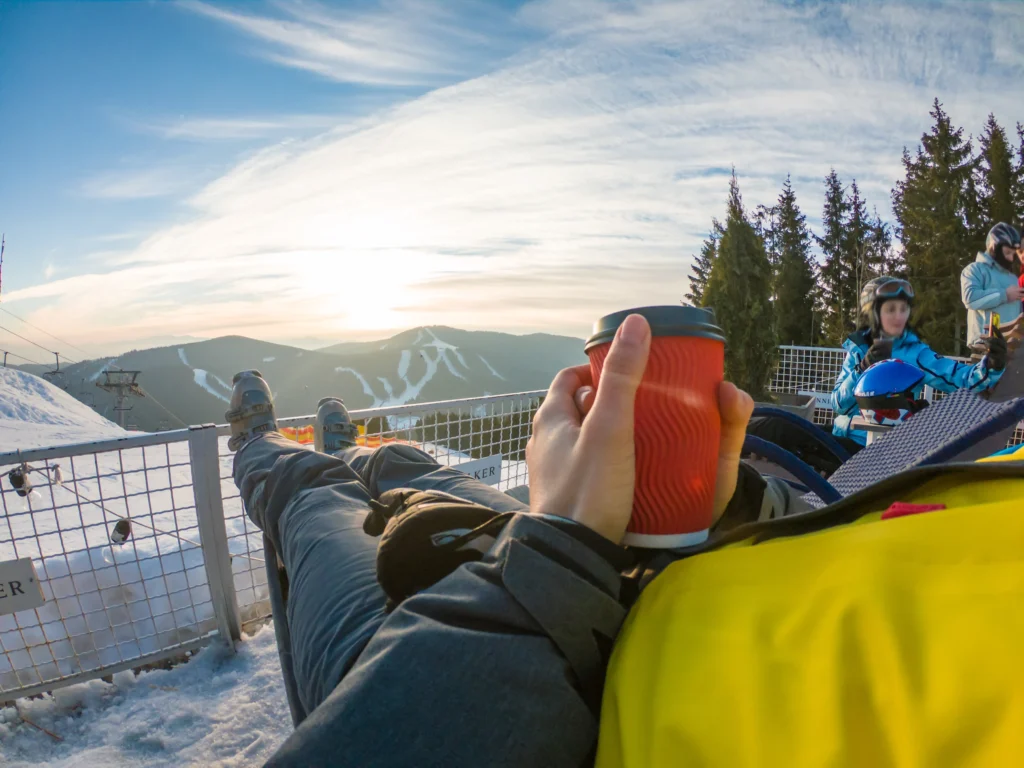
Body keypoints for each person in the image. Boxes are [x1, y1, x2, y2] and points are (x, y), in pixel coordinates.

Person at [226, 313, 754, 767]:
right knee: (407, 463)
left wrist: (563, 548)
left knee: (311, 492)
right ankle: (358, 452)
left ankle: (258, 443)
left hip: (412, 682)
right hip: (623, 594)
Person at [831, 276, 1006, 446]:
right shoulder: (857, 348)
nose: (899, 317)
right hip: (843, 437)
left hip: (884, 448)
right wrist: (862, 368)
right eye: (891, 309)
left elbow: (962, 379)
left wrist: (992, 365)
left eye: (903, 309)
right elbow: (839, 405)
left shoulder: (915, 352)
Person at [961, 222, 1022, 346]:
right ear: (994, 247)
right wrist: (1004, 295)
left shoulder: (1013, 278)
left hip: (1012, 347)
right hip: (985, 344)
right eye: (1007, 253)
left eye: (1013, 254)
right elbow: (970, 298)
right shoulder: (974, 269)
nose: (1011, 258)